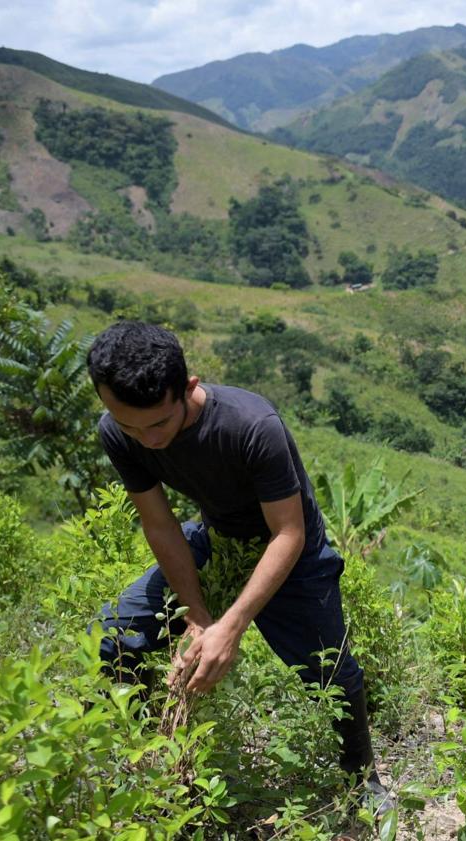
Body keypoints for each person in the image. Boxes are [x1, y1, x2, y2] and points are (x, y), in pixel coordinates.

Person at [85, 320, 388, 807]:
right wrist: (197, 614)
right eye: (129, 426)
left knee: (328, 671)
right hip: (214, 535)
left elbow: (289, 532)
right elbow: (160, 525)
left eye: (159, 423)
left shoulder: (250, 425)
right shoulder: (118, 434)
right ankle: (144, 758)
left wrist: (232, 625)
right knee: (117, 635)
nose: (147, 439)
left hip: (290, 548)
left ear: (189, 386)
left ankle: (362, 779)